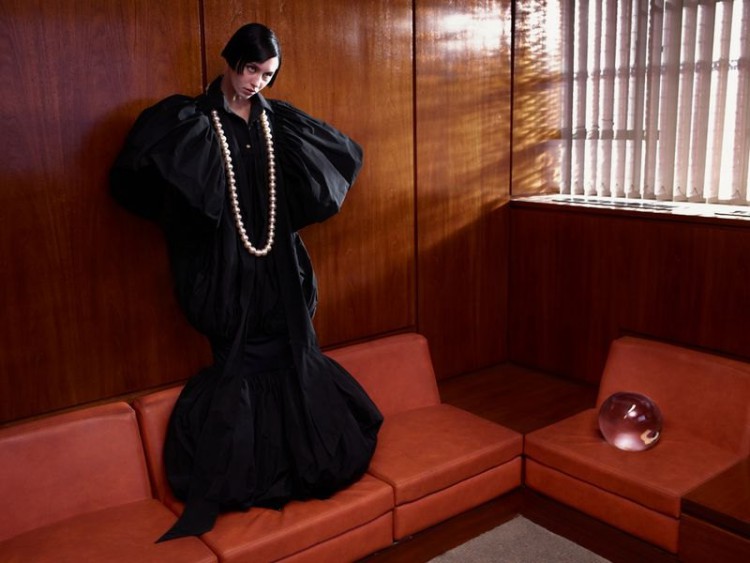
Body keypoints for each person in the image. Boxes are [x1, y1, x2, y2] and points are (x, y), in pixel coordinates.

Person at [110, 23, 383, 542]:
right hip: (227, 266)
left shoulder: (280, 121)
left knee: (288, 347)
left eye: (268, 74)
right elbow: (146, 181)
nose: (257, 81)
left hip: (276, 259)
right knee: (237, 356)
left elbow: (335, 164)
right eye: (251, 69)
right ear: (231, 60)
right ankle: (242, 474)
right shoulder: (192, 120)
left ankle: (301, 466)